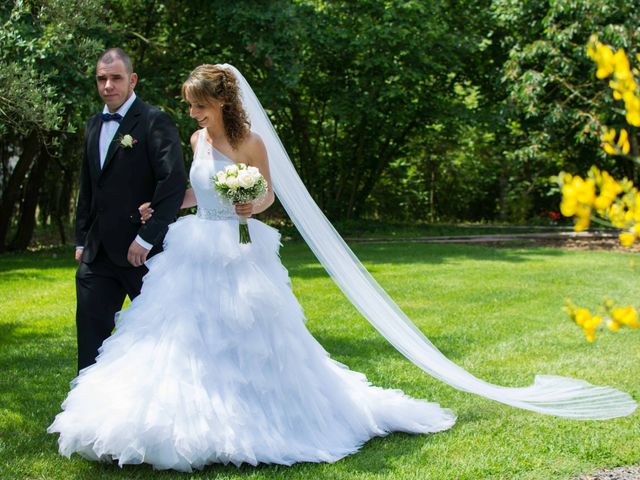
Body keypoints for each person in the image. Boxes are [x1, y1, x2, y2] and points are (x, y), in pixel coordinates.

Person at [48, 64, 457, 472]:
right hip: (194, 246)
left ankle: (251, 417)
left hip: (238, 247)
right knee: (179, 333)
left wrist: (251, 204)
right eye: (190, 105)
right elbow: (197, 190)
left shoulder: (250, 142)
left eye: (200, 105)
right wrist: (161, 205)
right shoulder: (196, 139)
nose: (193, 113)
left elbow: (268, 193)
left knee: (245, 334)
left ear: (223, 101)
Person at [73, 48, 186, 372]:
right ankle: (84, 415)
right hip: (97, 255)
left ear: (132, 79)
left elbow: (173, 181)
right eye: (101, 79)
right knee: (90, 342)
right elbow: (89, 186)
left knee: (157, 343)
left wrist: (147, 238)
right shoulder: (94, 123)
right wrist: (81, 240)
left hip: (143, 254)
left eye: (116, 78)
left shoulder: (154, 120)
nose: (108, 85)